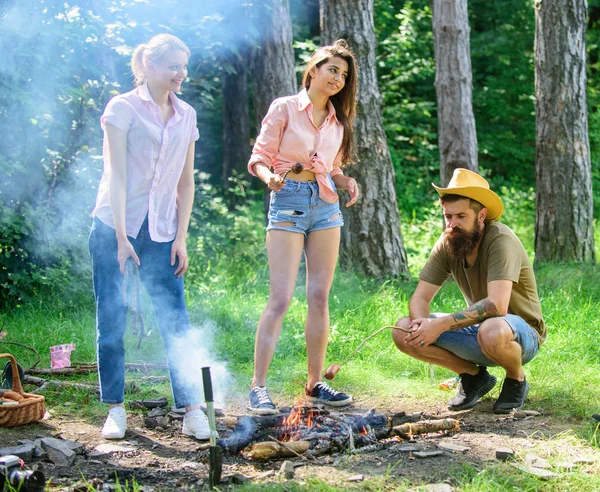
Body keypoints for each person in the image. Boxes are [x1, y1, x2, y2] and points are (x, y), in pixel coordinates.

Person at [89, 34, 210, 439]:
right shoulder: (121, 108)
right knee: (112, 316)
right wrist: (122, 238)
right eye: (174, 66)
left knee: (176, 319)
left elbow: (186, 182)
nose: (182, 73)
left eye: (184, 66)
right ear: (151, 67)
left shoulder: (186, 114)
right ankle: (115, 408)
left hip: (162, 230)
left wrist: (181, 237)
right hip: (114, 226)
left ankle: (192, 408)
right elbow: (117, 175)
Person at [246, 40, 360, 415]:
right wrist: (269, 180)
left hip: (326, 206)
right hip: (289, 200)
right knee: (280, 298)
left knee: (319, 296)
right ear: (313, 70)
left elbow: (333, 167)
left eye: (344, 75)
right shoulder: (284, 108)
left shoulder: (338, 121)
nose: (338, 79)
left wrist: (346, 181)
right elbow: (260, 158)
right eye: (332, 70)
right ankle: (258, 386)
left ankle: (315, 382)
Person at [393, 168, 546, 414]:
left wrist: (441, 325)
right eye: (448, 216)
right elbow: (421, 297)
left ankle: (516, 379)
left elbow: (497, 306)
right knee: (403, 329)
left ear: (481, 215)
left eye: (461, 216)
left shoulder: (500, 239)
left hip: (520, 334)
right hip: (480, 330)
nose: (452, 224)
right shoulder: (449, 241)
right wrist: (421, 325)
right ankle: (473, 377)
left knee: (493, 328)